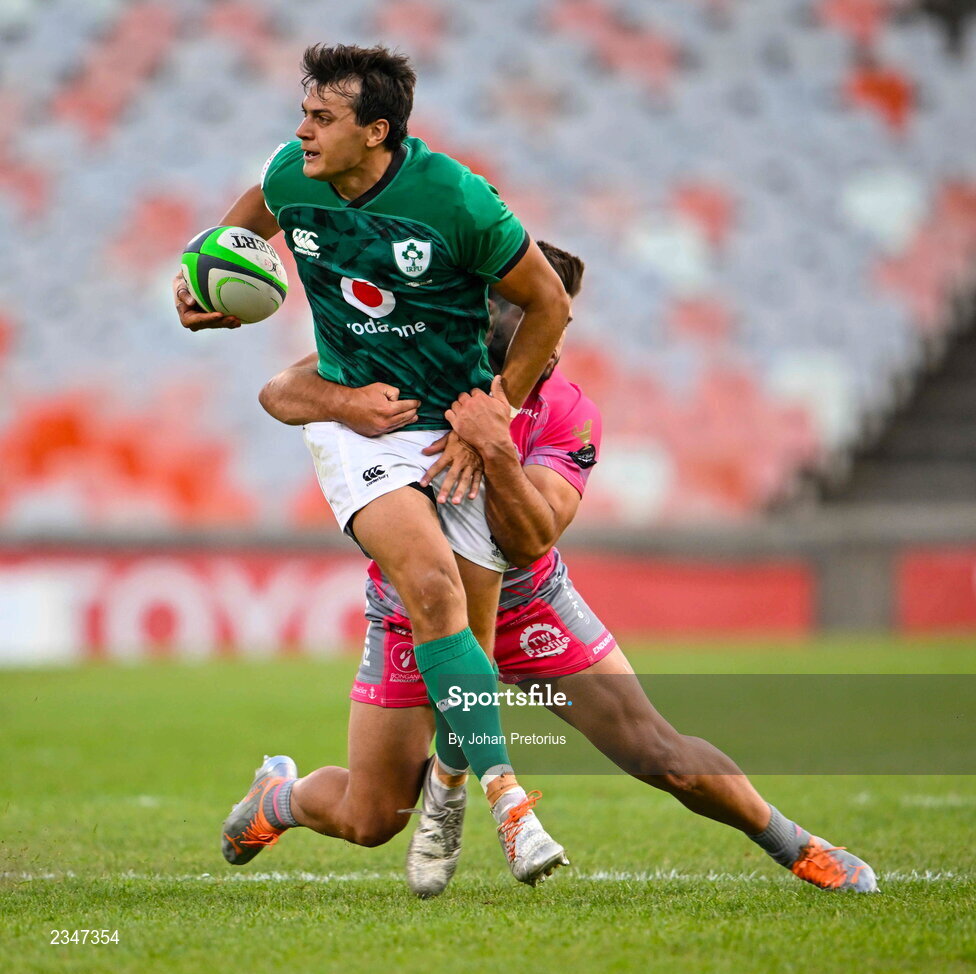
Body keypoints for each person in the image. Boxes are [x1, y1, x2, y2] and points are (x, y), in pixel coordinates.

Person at [257, 241, 879, 898]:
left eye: (562, 320)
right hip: (417, 609)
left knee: (663, 758)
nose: (554, 341)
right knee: (372, 818)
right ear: (483, 308)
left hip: (529, 606)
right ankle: (280, 797)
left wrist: (494, 448)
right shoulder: (405, 348)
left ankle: (798, 845)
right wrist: (349, 404)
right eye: (540, 316)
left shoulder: (566, 412)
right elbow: (281, 390)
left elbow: (530, 539)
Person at [173, 43, 571, 886]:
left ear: (377, 132)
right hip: (357, 421)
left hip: (452, 428)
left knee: (374, 814)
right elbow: (229, 241)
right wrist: (203, 296)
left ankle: (283, 796)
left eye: (323, 118)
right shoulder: (290, 175)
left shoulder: (456, 198)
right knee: (430, 587)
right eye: (304, 112)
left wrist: (494, 411)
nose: (302, 131)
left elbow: (549, 302)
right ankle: (508, 801)